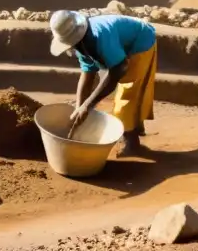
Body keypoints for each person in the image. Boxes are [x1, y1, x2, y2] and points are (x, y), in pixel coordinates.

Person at [49, 9, 156, 156]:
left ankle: (132, 143)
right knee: (118, 94)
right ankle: (134, 125)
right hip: (122, 47)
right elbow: (87, 75)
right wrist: (79, 106)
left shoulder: (101, 36)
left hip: (141, 41)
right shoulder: (81, 44)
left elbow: (119, 70)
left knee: (126, 95)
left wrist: (88, 104)